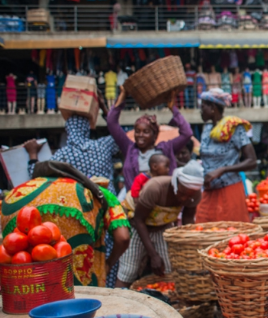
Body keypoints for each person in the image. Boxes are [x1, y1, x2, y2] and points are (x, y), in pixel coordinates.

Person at [1, 162, 131, 288]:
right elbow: (123, 237)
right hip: (80, 283)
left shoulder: (18, 192)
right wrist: (109, 263)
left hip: (25, 284)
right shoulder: (97, 191)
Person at [116, 160, 203, 287]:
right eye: (182, 193)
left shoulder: (194, 194)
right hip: (136, 226)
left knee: (168, 270)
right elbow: (138, 219)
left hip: (163, 226)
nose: (184, 198)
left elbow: (187, 220)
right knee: (129, 271)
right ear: (176, 183)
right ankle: (118, 300)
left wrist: (187, 246)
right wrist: (153, 255)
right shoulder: (155, 188)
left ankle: (167, 300)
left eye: (189, 196)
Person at [24, 95, 117, 193]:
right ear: (87, 129)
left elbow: (37, 176)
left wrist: (32, 153)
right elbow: (118, 135)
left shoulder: (63, 155)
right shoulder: (103, 146)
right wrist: (103, 107)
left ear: (68, 130)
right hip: (108, 202)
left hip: (80, 206)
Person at [108, 87, 193, 189]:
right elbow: (111, 123)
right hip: (135, 202)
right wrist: (122, 96)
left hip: (163, 203)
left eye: (146, 132)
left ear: (155, 135)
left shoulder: (166, 149)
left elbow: (187, 133)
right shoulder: (129, 148)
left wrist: (173, 109)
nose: (140, 135)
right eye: (137, 131)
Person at [196, 89, 257, 223]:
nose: (200, 111)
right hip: (208, 191)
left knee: (232, 234)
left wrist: (223, 169)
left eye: (203, 107)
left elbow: (252, 161)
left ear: (212, 107)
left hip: (230, 190)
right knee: (204, 231)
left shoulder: (234, 128)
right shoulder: (206, 129)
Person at [122, 154, 171, 218]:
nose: (168, 169)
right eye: (166, 166)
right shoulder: (142, 177)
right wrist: (136, 202)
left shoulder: (163, 179)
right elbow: (135, 189)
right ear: (155, 167)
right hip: (138, 201)